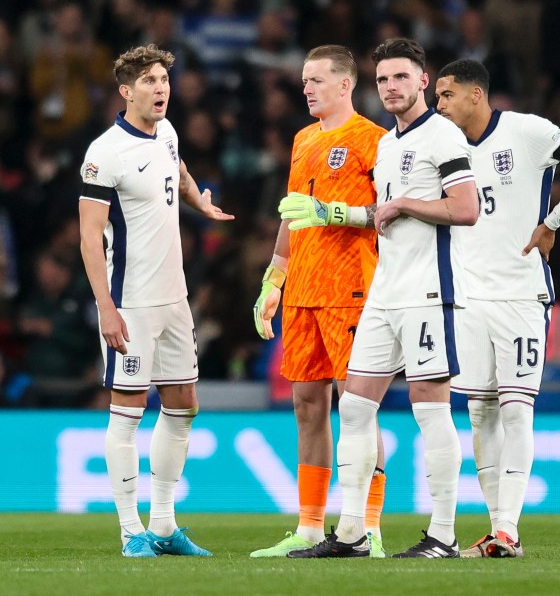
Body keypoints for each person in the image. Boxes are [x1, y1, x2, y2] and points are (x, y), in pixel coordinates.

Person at [285, 37, 479, 559]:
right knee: (352, 410)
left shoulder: (443, 135)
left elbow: (466, 207)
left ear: (423, 81)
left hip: (428, 291)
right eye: (383, 80)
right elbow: (381, 214)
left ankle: (444, 535)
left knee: (430, 411)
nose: (391, 87)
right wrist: (340, 214)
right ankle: (352, 533)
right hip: (384, 290)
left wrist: (407, 203)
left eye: (401, 78)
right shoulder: (388, 145)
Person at [433, 59, 560, 558]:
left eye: (446, 96)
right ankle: (498, 531)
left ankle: (509, 529)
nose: (439, 106)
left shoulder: (527, 131)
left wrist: (553, 221)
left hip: (519, 295)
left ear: (475, 93)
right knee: (479, 413)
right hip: (468, 298)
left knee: (516, 409)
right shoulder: (440, 146)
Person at [77, 44, 233, 558]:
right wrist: (105, 305)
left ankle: (164, 526)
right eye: (148, 81)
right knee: (127, 412)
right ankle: (129, 532)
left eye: (164, 78)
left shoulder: (166, 132)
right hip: (132, 301)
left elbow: (177, 166)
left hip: (175, 297)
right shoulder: (105, 153)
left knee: (183, 404)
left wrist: (199, 201)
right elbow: (89, 236)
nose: (160, 88)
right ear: (126, 91)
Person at [250, 45, 388, 558]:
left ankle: (368, 527)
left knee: (358, 408)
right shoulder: (303, 139)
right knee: (308, 406)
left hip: (351, 288)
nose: (305, 88)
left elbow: (387, 213)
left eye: (316, 80)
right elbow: (291, 213)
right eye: (304, 81)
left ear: (345, 84)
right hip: (304, 292)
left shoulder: (374, 141)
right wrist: (274, 278)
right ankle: (309, 527)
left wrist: (333, 212)